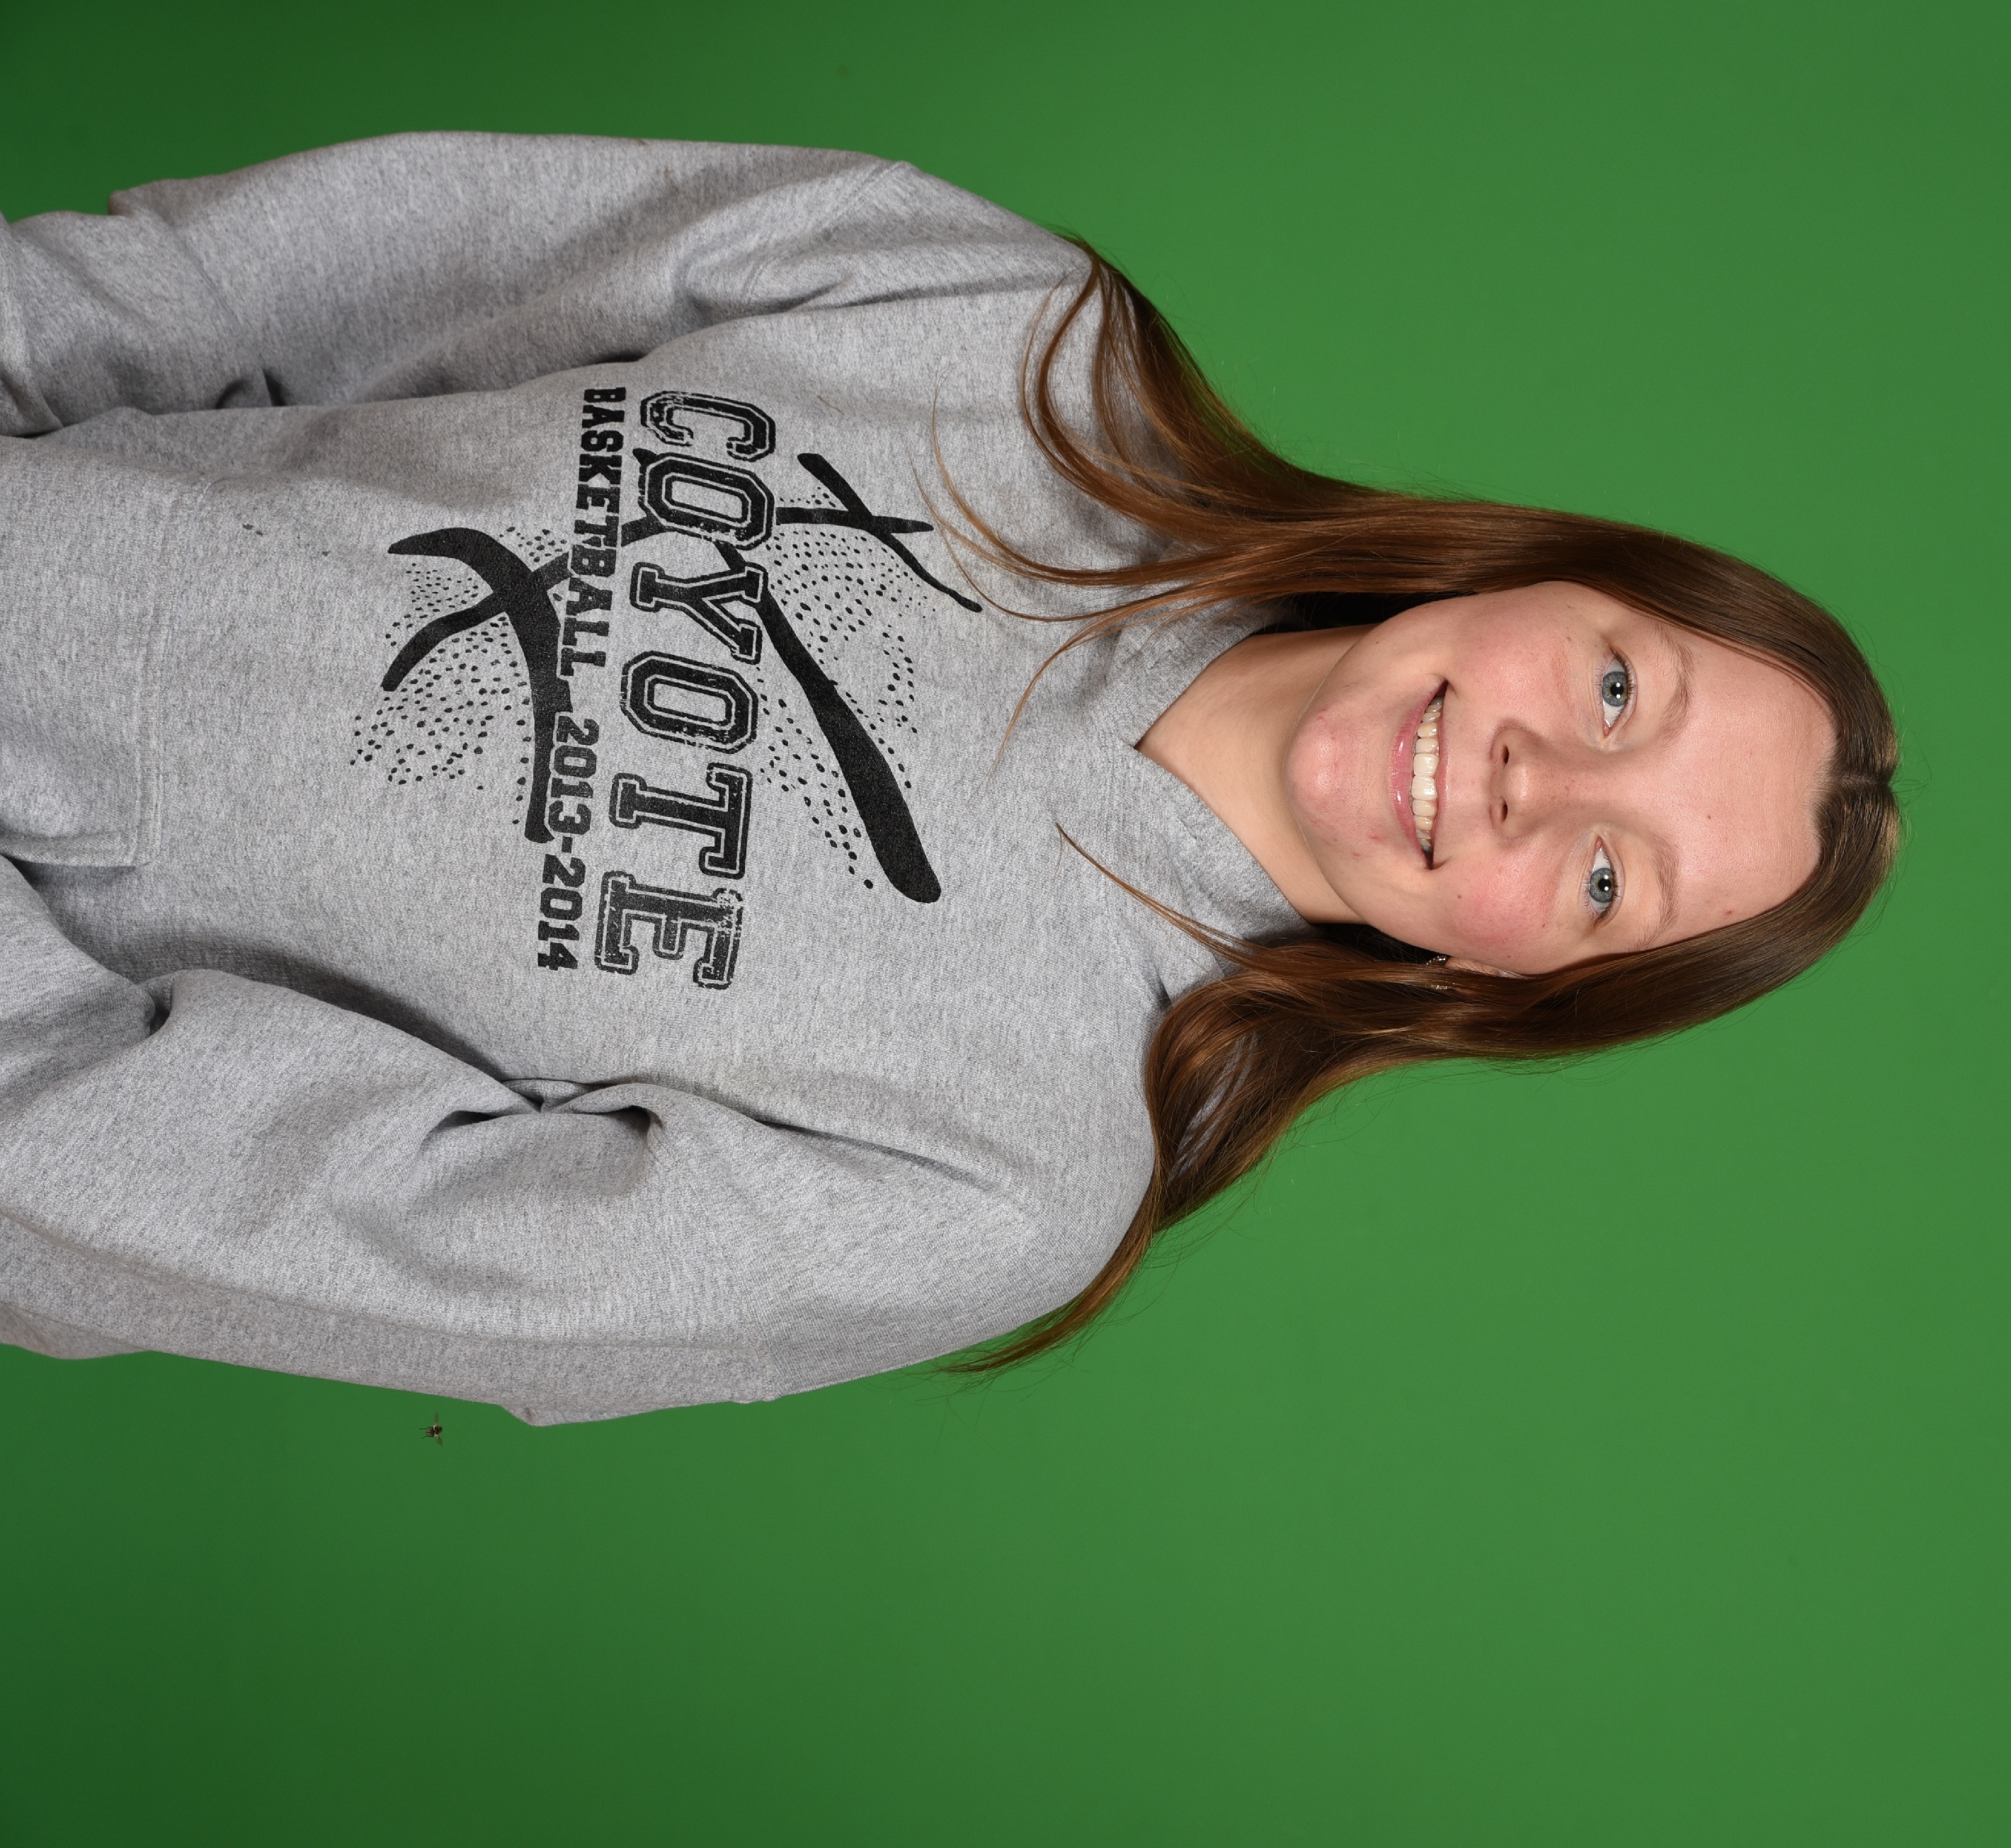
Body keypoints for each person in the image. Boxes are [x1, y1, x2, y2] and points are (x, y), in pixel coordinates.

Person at [0, 133, 1898, 1422]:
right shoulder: (1014, 338)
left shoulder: (1006, 1187)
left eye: (1605, 882)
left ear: (1513, 983)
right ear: (1544, 570)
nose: (1533, 780)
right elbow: (287, 277)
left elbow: (275, 1220)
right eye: (1620, 688)